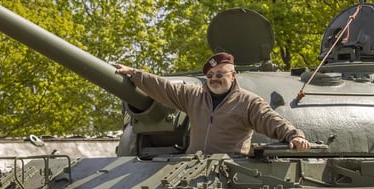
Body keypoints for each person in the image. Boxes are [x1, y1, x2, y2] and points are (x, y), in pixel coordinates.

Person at [114, 52, 311, 155]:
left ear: (233, 76)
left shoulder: (248, 102)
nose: (214, 78)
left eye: (219, 74)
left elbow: (271, 120)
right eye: (209, 75)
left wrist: (294, 136)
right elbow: (164, 87)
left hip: (229, 168)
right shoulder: (194, 96)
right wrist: (135, 74)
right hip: (193, 166)